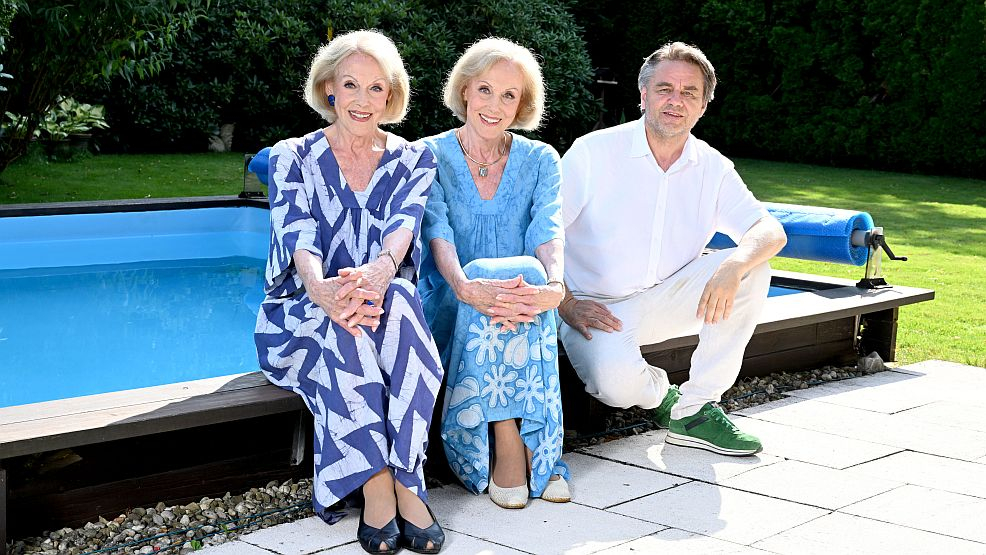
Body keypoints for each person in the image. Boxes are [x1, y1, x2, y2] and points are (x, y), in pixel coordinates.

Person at [254, 30, 445, 554]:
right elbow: (298, 234)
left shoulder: (414, 160)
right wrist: (321, 288)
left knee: (403, 303)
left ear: (392, 95)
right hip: (302, 309)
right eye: (351, 85)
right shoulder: (292, 156)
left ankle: (406, 475)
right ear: (329, 89)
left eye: (376, 88)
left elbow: (402, 231)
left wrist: (380, 274)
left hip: (381, 300)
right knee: (344, 327)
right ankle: (378, 484)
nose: (363, 100)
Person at [558, 42, 787, 457]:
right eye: (664, 89)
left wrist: (733, 263)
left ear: (703, 106)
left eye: (689, 93)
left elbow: (769, 229)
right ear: (643, 95)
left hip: (668, 296)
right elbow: (543, 234)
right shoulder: (594, 152)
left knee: (753, 266)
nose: (675, 101)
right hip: (594, 304)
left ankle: (698, 408)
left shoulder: (712, 165)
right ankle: (666, 399)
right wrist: (565, 303)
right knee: (614, 386)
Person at [418, 37, 571, 509]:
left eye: (509, 95)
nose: (495, 105)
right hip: (451, 299)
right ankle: (516, 441)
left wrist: (556, 287)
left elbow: (549, 230)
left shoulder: (542, 158)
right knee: (486, 270)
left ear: (522, 103)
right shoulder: (426, 154)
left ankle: (522, 442)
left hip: (524, 302)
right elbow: (437, 234)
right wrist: (467, 286)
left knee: (527, 271)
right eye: (485, 89)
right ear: (464, 90)